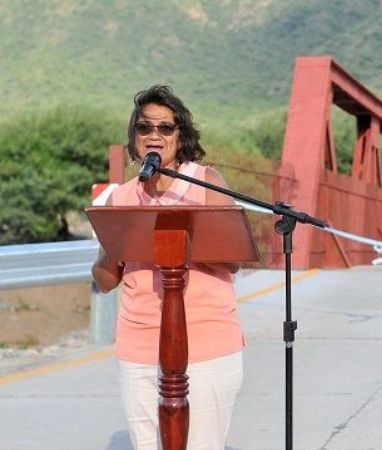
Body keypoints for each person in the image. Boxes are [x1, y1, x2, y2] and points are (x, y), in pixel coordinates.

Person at [92, 85, 244, 450]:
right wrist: (116, 247)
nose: (154, 136)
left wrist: (177, 235)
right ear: (135, 137)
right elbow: (103, 280)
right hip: (139, 344)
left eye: (165, 128)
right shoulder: (121, 197)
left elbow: (232, 258)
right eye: (145, 128)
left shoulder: (206, 182)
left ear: (181, 136)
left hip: (205, 341)